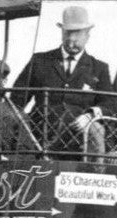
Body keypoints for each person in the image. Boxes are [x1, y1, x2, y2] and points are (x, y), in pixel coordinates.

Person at [12, 5, 110, 155]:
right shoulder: (40, 61)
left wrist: (89, 117)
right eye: (67, 34)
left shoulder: (99, 68)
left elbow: (109, 103)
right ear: (62, 32)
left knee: (96, 131)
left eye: (77, 35)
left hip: (78, 142)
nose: (71, 41)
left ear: (87, 35)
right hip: (39, 137)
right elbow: (17, 100)